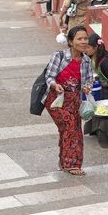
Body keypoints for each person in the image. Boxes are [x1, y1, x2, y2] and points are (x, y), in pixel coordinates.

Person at [44, 26, 93, 176]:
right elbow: (49, 76)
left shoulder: (86, 61)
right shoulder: (59, 56)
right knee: (70, 127)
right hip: (56, 100)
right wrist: (55, 85)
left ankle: (65, 162)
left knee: (73, 130)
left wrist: (86, 87)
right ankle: (71, 164)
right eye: (79, 39)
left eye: (85, 38)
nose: (83, 42)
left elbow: (89, 79)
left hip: (74, 101)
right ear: (71, 42)